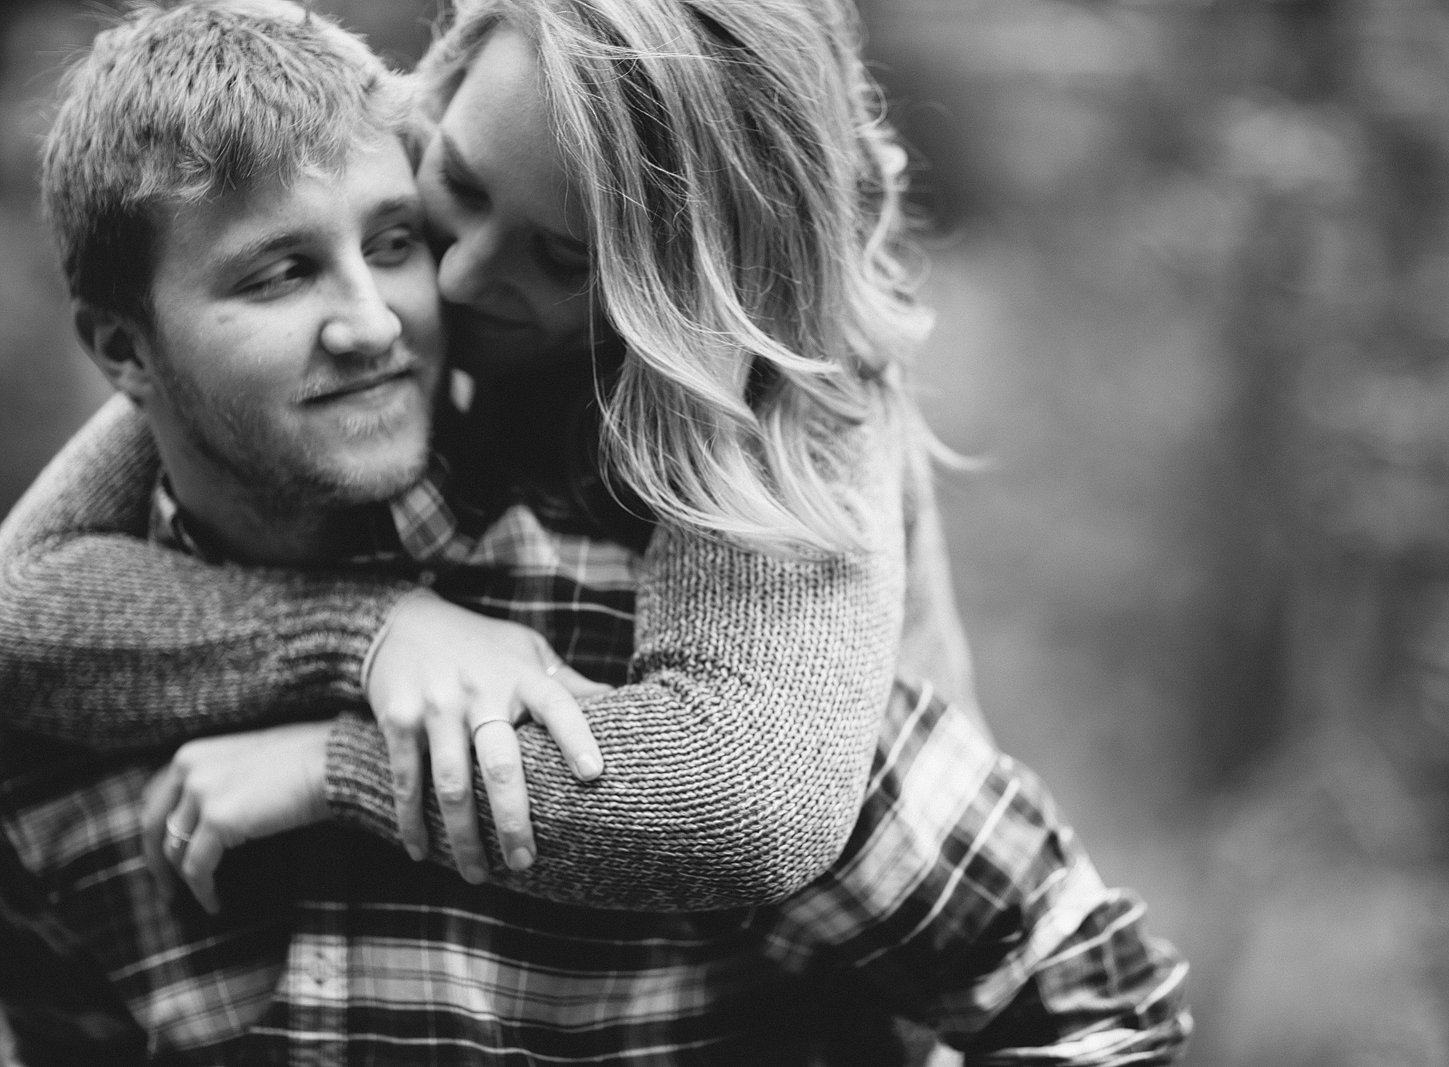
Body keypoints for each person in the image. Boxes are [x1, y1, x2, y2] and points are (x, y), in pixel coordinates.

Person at [0, 1, 1192, 1064]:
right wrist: (373, 635)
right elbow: (25, 597)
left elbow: (748, 804)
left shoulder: (773, 398)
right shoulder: (373, 218)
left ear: (676, 299)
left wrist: (341, 762)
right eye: (448, 193)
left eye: (562, 257)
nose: (451, 287)